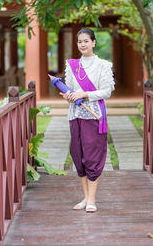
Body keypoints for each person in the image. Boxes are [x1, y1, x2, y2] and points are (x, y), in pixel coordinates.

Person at [60, 28, 115, 212]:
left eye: (86, 41)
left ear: (93, 42)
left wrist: (85, 93)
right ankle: (84, 198)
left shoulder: (103, 65)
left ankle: (92, 200)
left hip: (93, 115)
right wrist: (68, 95)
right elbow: (69, 89)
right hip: (75, 115)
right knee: (77, 155)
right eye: (79, 41)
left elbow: (106, 91)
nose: (82, 44)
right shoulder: (72, 65)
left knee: (92, 156)